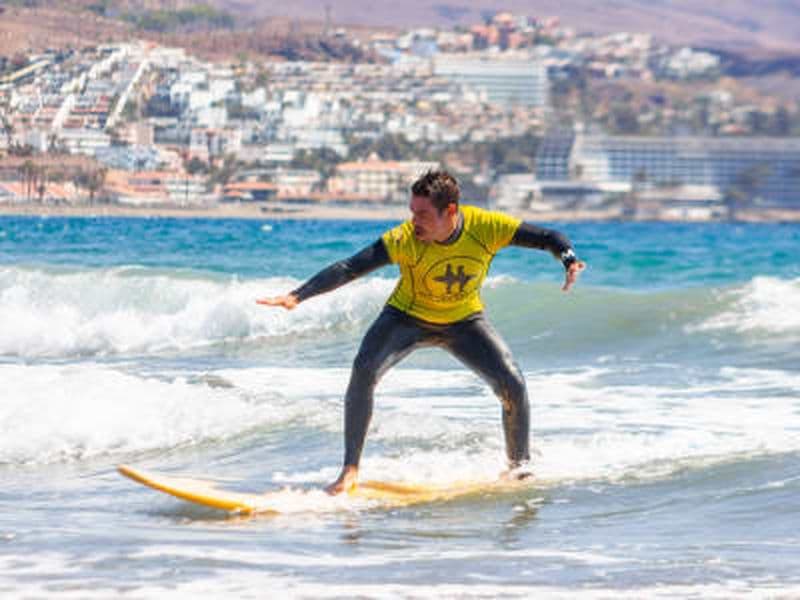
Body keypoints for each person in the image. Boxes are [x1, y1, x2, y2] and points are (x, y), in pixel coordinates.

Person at [257, 170, 585, 495]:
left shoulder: (486, 227)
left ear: (451, 211)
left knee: (512, 383)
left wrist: (568, 260)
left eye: (423, 214)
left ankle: (519, 470)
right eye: (412, 212)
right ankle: (350, 471)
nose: (414, 221)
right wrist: (297, 295)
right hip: (406, 319)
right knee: (364, 369)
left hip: (464, 322)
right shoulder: (405, 239)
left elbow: (548, 238)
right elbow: (349, 267)